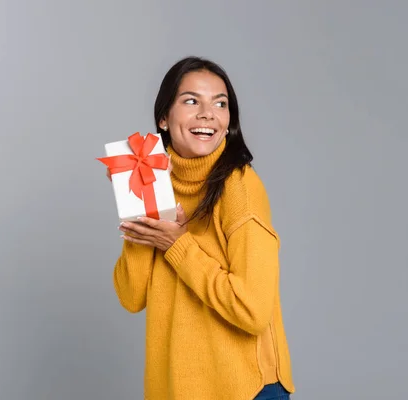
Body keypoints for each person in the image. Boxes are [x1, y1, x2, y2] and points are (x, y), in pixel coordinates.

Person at [107, 56, 295, 400]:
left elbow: (253, 311)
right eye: (191, 101)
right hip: (178, 389)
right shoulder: (155, 181)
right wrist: (140, 211)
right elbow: (132, 297)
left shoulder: (241, 188)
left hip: (244, 390)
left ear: (228, 120)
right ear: (164, 117)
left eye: (220, 104)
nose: (208, 113)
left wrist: (178, 246)